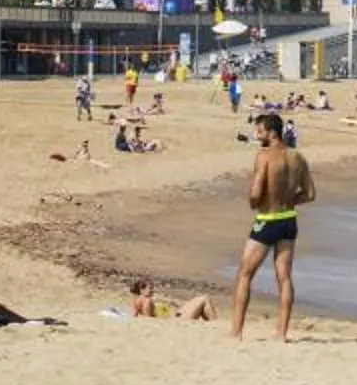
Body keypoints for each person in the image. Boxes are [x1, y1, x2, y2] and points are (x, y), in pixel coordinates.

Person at [229, 110, 314, 341]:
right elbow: (310, 194)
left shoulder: (264, 156)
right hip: (289, 219)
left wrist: (254, 202)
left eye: (260, 132)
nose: (257, 136)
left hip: (267, 220)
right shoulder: (298, 157)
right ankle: (281, 333)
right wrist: (288, 200)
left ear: (272, 133)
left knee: (244, 274)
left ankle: (236, 332)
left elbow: (256, 192)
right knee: (284, 278)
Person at [128, 278, 213, 321]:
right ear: (142, 290)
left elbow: (134, 315)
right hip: (175, 321)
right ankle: (214, 324)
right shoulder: (147, 301)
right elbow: (149, 320)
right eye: (150, 288)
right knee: (205, 299)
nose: (153, 290)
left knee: (202, 299)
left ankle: (212, 323)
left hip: (175, 316)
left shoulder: (138, 300)